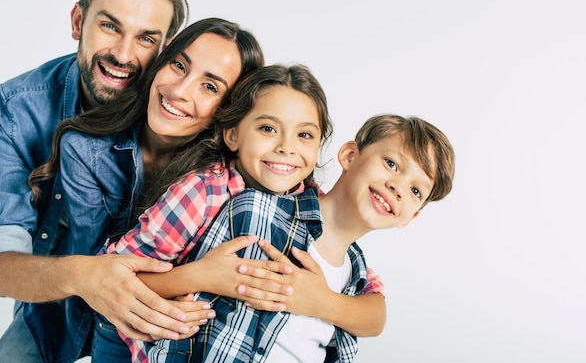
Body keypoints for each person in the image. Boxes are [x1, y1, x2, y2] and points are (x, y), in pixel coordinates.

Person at [0, 0, 189, 363]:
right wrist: (87, 277)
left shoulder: (179, 114)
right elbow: (1, 265)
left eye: (146, 38)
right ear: (78, 21)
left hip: (153, 319)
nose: (123, 55)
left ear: (164, 48)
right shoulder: (15, 109)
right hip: (53, 312)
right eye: (110, 26)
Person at [99, 64, 388, 363]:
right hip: (134, 342)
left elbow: (374, 311)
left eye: (304, 134)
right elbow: (113, 279)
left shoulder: (311, 203)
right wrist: (198, 276)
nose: (287, 147)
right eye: (268, 129)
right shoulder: (204, 193)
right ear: (233, 135)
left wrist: (324, 302)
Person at [28, 17, 272, 361]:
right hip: (81, 307)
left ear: (231, 110)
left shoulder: (225, 173)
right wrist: (194, 278)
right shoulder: (84, 150)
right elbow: (100, 273)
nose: (180, 90)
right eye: (179, 65)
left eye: (210, 87)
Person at [151, 113, 456, 363]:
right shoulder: (254, 211)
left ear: (411, 217)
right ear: (350, 155)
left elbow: (376, 320)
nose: (398, 186)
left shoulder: (357, 279)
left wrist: (323, 302)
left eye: (415, 190)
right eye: (391, 164)